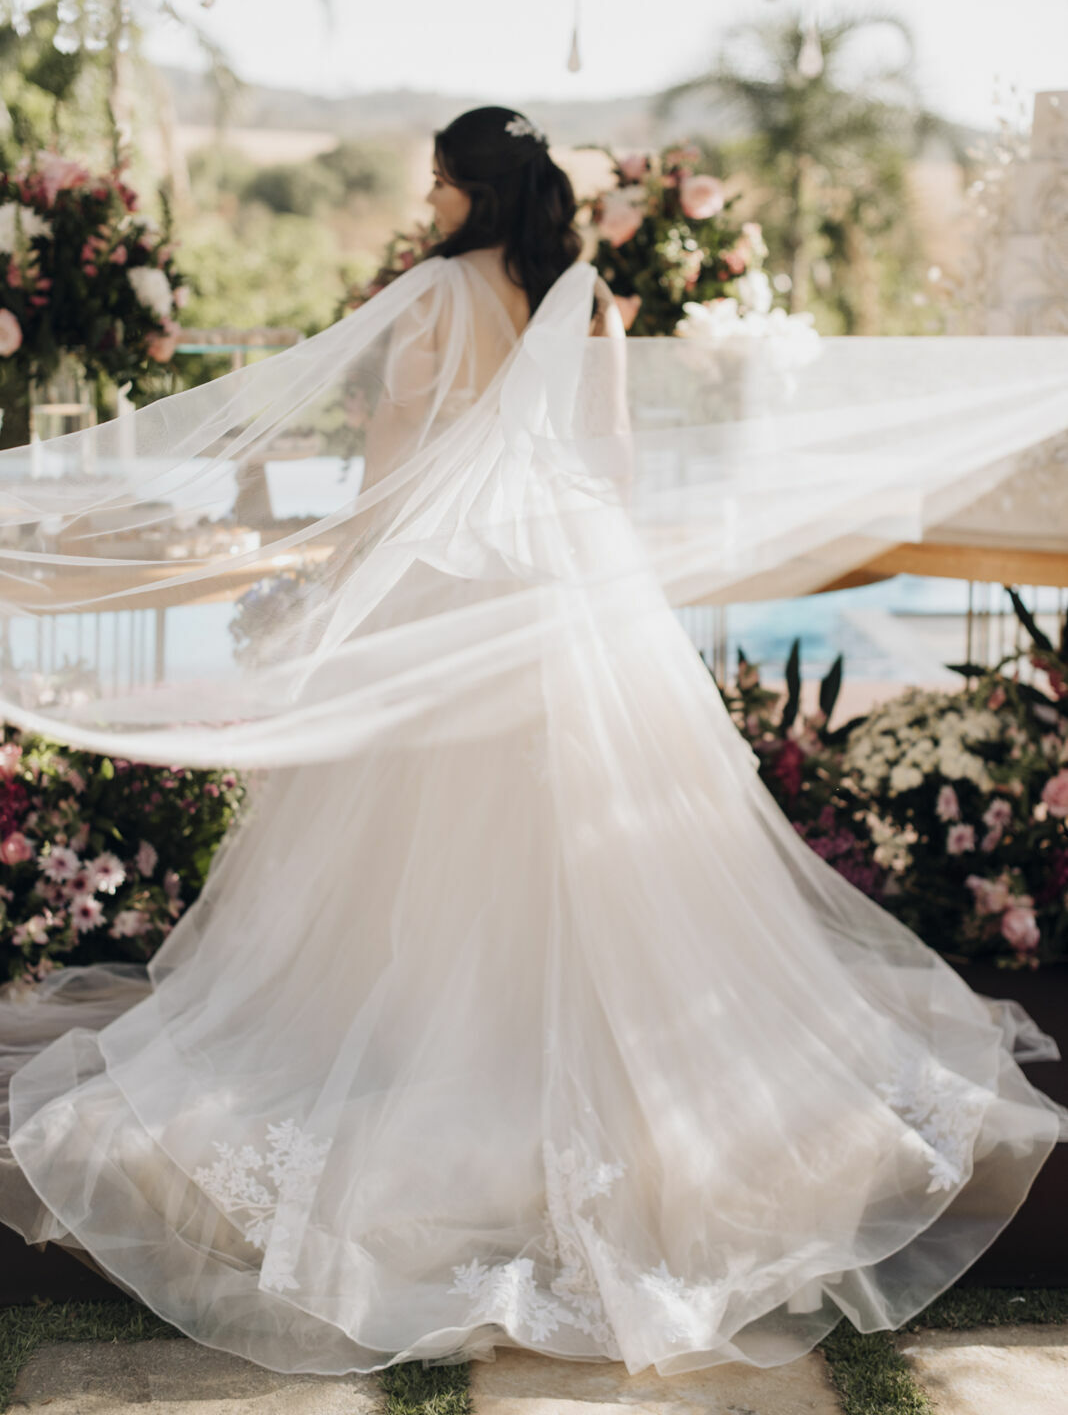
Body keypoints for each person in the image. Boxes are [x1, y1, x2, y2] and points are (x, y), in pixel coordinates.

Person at [0, 107, 1066, 1381]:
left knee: (422, 856)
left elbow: (393, 460)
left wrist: (341, 579)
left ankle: (420, 1060)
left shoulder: (436, 295)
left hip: (462, 584)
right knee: (608, 849)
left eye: (439, 181)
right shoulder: (592, 298)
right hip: (577, 586)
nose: (433, 200)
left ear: (469, 191)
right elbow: (610, 466)